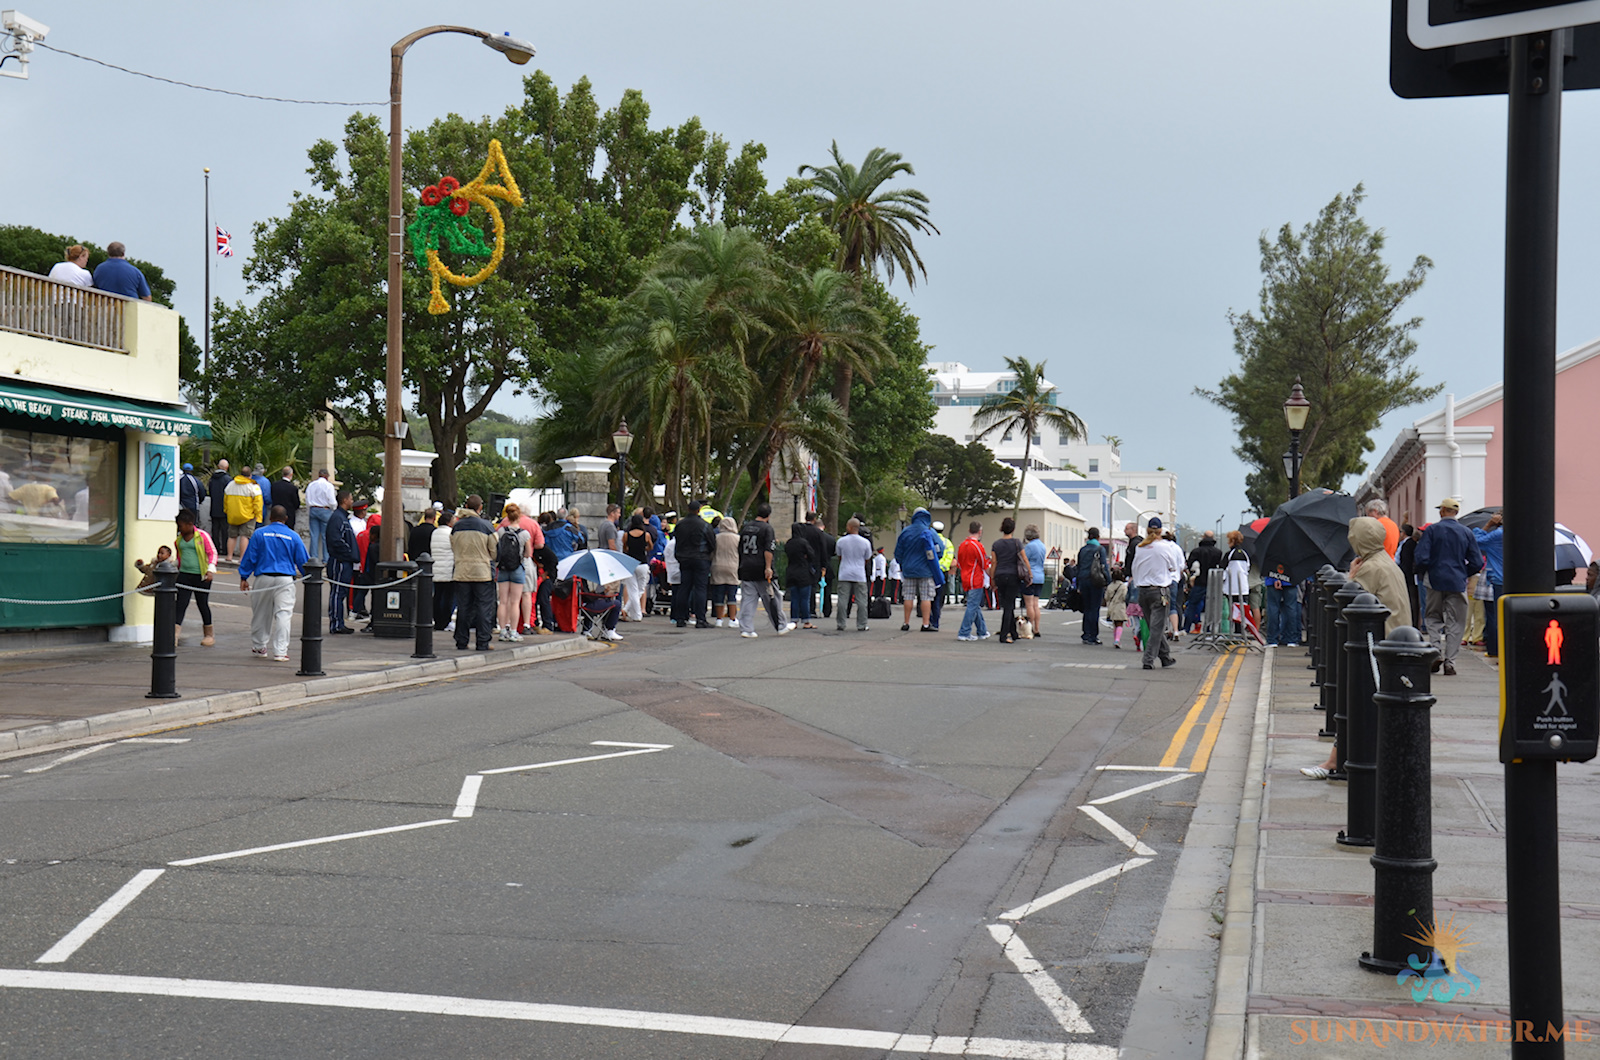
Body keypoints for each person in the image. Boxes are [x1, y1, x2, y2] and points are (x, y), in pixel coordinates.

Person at [1301, 516, 1410, 779]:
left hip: (1377, 646)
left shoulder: (1370, 568)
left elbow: (1349, 600)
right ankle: (1342, 760)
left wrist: (1351, 576)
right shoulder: (1386, 562)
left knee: (1356, 703)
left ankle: (1334, 763)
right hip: (1397, 642)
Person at [1413, 498, 1483, 677]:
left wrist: (1425, 571)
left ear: (1442, 511)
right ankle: (1450, 662)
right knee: (1456, 622)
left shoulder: (1432, 530)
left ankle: (1435, 652)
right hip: (1457, 581)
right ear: (1456, 512)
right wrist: (1462, 572)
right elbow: (1476, 561)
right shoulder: (1466, 532)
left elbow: (1421, 557)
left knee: (1433, 617)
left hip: (1434, 579)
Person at [238, 504, 309, 662]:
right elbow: (303, 561)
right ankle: (280, 651)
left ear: (270, 518)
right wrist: (309, 577)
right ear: (286, 519)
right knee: (283, 614)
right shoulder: (293, 536)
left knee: (261, 614)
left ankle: (259, 647)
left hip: (263, 577)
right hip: (285, 579)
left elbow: (250, 557)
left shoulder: (259, 534)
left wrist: (244, 577)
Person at [1131, 518, 1184, 670]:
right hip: (1159, 589)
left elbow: (1134, 568)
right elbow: (1173, 567)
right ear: (1161, 531)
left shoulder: (1140, 547)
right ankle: (1148, 659)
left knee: (1154, 626)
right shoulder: (1165, 547)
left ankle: (1165, 656)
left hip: (1143, 591)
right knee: (1157, 628)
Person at [450, 495, 498, 651]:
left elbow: (453, 546)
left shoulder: (456, 527)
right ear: (480, 508)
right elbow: (495, 550)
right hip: (482, 571)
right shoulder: (486, 526)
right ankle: (482, 641)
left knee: (464, 607)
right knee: (484, 607)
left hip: (462, 570)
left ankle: (461, 641)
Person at [736, 503, 790, 639]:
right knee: (772, 597)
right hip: (760, 567)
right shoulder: (767, 529)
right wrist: (768, 567)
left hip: (746, 566)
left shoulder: (746, 527)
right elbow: (768, 549)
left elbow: (740, 548)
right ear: (769, 515)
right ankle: (780, 624)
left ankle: (746, 628)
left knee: (748, 598)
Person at [172, 509, 218, 647]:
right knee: (180, 605)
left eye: (181, 525)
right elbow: (180, 557)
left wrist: (210, 570)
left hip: (201, 576)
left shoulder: (202, 536)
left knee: (202, 604)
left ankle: (209, 634)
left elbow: (212, 553)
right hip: (184, 575)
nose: (179, 528)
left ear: (190, 524)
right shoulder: (179, 540)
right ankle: (174, 634)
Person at [894, 507, 945, 633]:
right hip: (926, 570)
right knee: (926, 597)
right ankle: (926, 624)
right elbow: (940, 549)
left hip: (909, 569)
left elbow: (898, 552)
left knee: (908, 596)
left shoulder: (906, 531)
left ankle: (906, 622)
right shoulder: (930, 531)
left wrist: (903, 563)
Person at [494, 502, 532, 642]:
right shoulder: (524, 534)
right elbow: (528, 553)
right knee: (515, 602)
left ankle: (503, 630)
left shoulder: (501, 531)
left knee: (503, 601)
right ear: (519, 517)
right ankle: (514, 631)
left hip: (503, 569)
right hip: (517, 568)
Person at [672, 505, 713, 628]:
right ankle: (700, 619)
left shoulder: (680, 524)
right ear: (698, 510)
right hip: (701, 558)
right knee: (700, 588)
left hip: (684, 558)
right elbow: (712, 542)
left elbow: (677, 540)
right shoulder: (704, 525)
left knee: (684, 587)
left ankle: (680, 618)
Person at [324, 491, 359, 635]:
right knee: (337, 592)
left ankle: (339, 623)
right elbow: (335, 540)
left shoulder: (342, 518)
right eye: (350, 498)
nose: (352, 501)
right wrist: (349, 553)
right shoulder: (337, 519)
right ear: (345, 500)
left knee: (341, 592)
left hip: (344, 561)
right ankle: (336, 624)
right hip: (340, 561)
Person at [1473, 512, 1505, 658]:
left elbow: (1475, 541)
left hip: (1498, 579)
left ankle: (1495, 649)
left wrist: (1488, 525)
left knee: (1494, 616)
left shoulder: (1497, 534)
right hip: (1511, 579)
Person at [835, 517, 873, 632]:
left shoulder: (841, 541)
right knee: (862, 600)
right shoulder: (865, 542)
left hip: (845, 573)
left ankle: (841, 623)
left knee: (842, 599)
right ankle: (862, 624)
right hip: (859, 573)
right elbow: (867, 558)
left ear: (849, 527)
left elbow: (839, 556)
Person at [955, 520, 991, 641]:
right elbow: (984, 564)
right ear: (980, 532)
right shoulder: (977, 546)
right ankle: (964, 632)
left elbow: (959, 563)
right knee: (972, 606)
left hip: (965, 577)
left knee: (974, 605)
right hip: (975, 579)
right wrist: (992, 578)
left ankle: (982, 630)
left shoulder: (962, 545)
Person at [991, 517, 1024, 644]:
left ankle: (1014, 632)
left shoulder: (996, 544)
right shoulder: (1017, 543)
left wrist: (992, 578)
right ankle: (1004, 635)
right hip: (1012, 576)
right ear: (1013, 529)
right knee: (1009, 606)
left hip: (1000, 575)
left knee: (1007, 604)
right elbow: (1024, 558)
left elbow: (994, 562)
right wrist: (1029, 574)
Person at [223, 466, 264, 562]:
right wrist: (258, 515)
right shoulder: (253, 487)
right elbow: (258, 503)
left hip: (233, 515)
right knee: (245, 536)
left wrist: (227, 511)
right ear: (250, 475)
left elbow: (225, 500)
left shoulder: (231, 484)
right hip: (248, 516)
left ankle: (229, 556)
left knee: (232, 536)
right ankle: (242, 558)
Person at [1184, 531, 1223, 631]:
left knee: (1192, 604)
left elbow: (1189, 565)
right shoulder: (1218, 552)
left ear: (1203, 537)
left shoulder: (1196, 551)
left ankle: (1187, 627)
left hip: (1199, 581)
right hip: (1213, 582)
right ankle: (1209, 629)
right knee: (1211, 606)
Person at [1077, 527, 1110, 645]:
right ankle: (1093, 635)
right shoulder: (1100, 549)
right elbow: (1103, 567)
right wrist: (1108, 581)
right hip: (1096, 581)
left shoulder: (1082, 550)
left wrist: (1078, 585)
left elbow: (1078, 567)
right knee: (1094, 608)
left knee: (1086, 608)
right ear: (1098, 537)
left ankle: (1085, 634)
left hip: (1083, 580)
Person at [709, 516, 740, 627]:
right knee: (732, 594)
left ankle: (719, 619)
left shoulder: (716, 538)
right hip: (732, 567)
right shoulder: (737, 539)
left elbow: (711, 553)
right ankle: (732, 619)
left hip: (717, 566)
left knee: (719, 594)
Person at [621, 514, 653, 622]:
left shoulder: (626, 535)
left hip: (630, 563)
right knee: (640, 589)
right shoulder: (646, 535)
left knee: (632, 589)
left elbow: (624, 548)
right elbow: (650, 547)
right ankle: (637, 614)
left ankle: (628, 610)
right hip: (642, 563)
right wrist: (645, 547)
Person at [1262, 562, 1300, 647]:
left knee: (1273, 608)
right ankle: (1291, 639)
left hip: (1272, 578)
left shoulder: (1271, 549)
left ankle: (1272, 640)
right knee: (1291, 609)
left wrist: (1276, 578)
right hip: (1291, 579)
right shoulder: (1295, 549)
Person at [430, 509, 456, 632]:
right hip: (448, 568)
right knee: (448, 597)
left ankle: (437, 619)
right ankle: (445, 620)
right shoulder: (451, 534)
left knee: (438, 595)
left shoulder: (435, 532)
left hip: (436, 568)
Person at [1221, 530, 1251, 634]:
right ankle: (1240, 633)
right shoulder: (1245, 554)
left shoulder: (1229, 554)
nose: (1227, 542)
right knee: (1240, 612)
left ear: (1233, 541)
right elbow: (1247, 568)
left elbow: (1222, 569)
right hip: (1243, 587)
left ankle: (1229, 633)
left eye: (1229, 540)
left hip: (1231, 587)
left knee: (1230, 611)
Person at [305, 469, 337, 562]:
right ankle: (326, 559)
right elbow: (332, 501)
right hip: (325, 510)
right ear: (326, 476)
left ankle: (313, 558)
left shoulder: (311, 485)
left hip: (313, 509)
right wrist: (333, 508)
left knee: (314, 535)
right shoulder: (328, 486)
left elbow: (307, 499)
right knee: (325, 536)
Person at [1021, 525, 1046, 638]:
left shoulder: (1029, 546)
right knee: (1036, 604)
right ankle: (1037, 628)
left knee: (1029, 604)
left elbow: (1023, 559)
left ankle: (1030, 627)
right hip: (1040, 575)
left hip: (1030, 576)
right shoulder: (1042, 546)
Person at [930, 520, 954, 631]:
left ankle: (928, 620)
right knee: (939, 598)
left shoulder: (930, 539)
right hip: (942, 572)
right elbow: (949, 558)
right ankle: (936, 621)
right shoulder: (947, 542)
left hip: (930, 571)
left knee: (928, 597)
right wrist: (942, 567)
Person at [1396, 523, 1421, 629]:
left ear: (1404, 533)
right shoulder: (1404, 544)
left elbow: (1406, 563)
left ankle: (1413, 622)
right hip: (1408, 576)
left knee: (1412, 599)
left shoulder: (1409, 544)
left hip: (1409, 577)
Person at [207, 459, 232, 550]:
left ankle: (215, 548)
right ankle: (225, 549)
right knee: (225, 530)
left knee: (215, 530)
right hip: (224, 508)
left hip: (214, 508)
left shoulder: (212, 479)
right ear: (227, 467)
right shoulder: (228, 479)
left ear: (218, 466)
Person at [270, 468, 300, 533]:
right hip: (288, 516)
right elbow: (296, 504)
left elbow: (271, 498)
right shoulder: (293, 488)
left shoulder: (274, 485)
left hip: (275, 514)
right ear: (291, 474)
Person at [1105, 568, 1129, 648]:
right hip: (1120, 606)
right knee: (1120, 624)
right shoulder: (1123, 586)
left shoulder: (1110, 586)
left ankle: (1115, 639)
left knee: (1115, 624)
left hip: (1112, 606)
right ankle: (1117, 640)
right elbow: (1125, 597)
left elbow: (1106, 597)